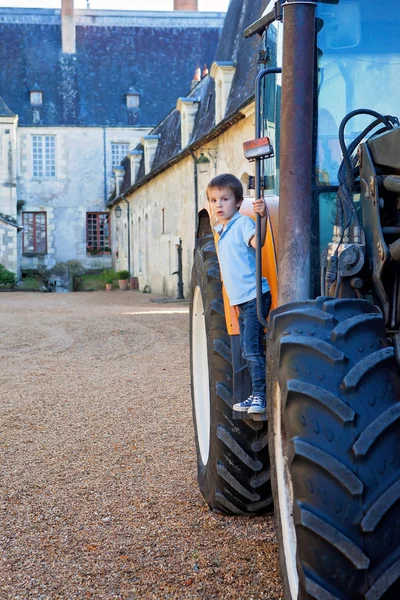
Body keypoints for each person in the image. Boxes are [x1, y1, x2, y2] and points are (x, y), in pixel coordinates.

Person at [207, 173, 271, 415]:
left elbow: (259, 241)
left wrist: (262, 216)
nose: (219, 205)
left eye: (224, 199)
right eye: (214, 201)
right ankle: (257, 394)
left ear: (237, 202)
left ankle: (261, 397)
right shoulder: (221, 231)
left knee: (252, 349)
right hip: (242, 301)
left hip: (255, 296)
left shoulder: (243, 223)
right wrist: (234, 302)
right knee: (248, 350)